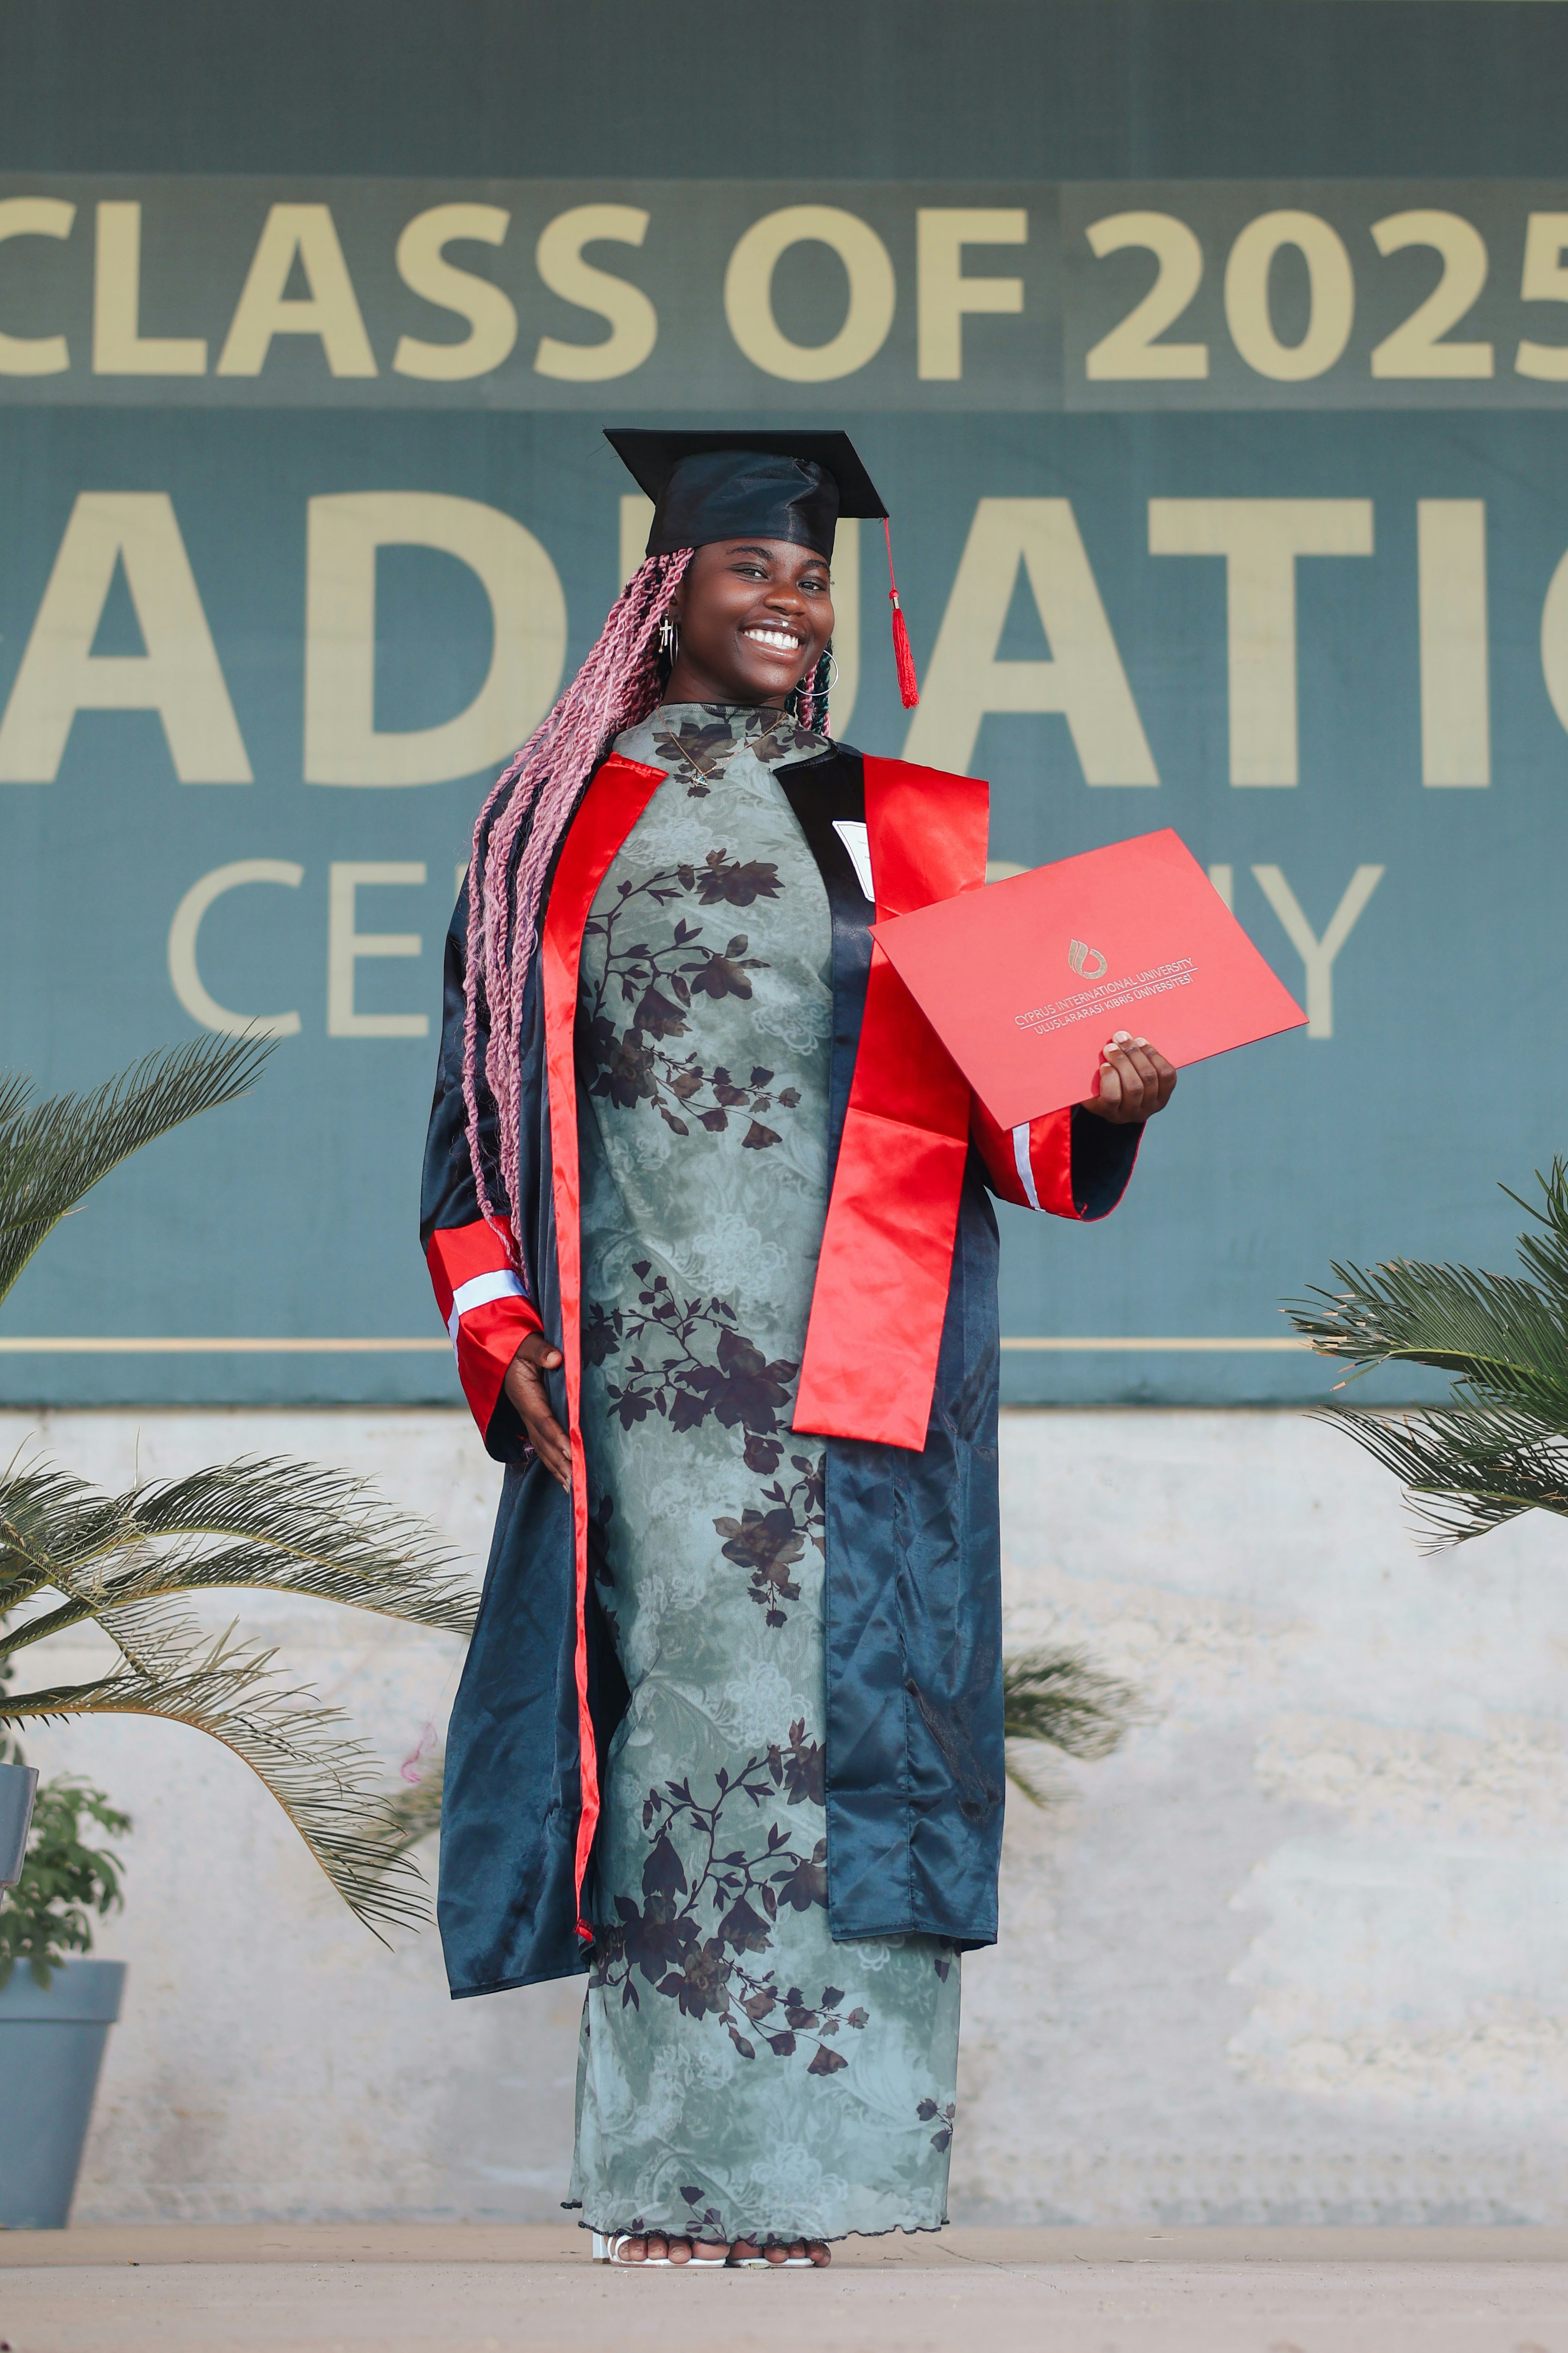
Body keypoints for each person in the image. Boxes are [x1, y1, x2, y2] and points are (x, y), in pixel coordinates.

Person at [421, 430, 1176, 2270]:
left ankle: (824, 2179)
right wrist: (498, 1324)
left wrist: (1108, 1101)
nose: (788, 599)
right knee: (686, 1758)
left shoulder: (883, 822)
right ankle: (675, 2175)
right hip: (654, 1384)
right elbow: (470, 1106)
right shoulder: (552, 821)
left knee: (842, 1750)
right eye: (752, 567)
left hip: (863, 1355)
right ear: (663, 591)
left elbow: (996, 1122)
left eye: (812, 574)